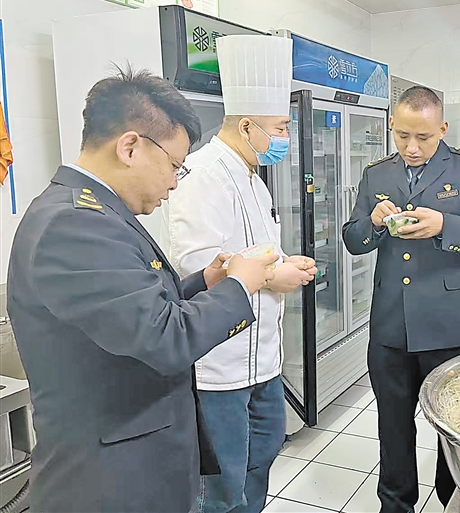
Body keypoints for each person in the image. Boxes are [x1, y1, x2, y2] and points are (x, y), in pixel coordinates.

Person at [7, 68, 279, 513]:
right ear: (130, 147)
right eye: (174, 165)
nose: (174, 182)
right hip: (112, 481)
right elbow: (164, 338)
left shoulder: (100, 213)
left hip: (140, 462)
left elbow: (136, 312)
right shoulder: (74, 224)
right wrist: (240, 284)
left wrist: (204, 282)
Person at [166, 35, 317, 513]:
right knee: (222, 485)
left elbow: (257, 250)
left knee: (261, 462)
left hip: (264, 360)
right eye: (280, 128)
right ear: (247, 126)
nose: (285, 137)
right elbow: (199, 265)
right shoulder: (203, 174)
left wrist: (287, 262)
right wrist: (275, 277)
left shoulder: (254, 177)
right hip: (221, 366)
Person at [343, 86, 460, 512]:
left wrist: (444, 226)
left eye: (424, 137)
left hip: (451, 324)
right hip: (391, 325)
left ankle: (454, 502)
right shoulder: (377, 174)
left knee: (453, 427)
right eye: (402, 136)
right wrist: (373, 223)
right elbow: (353, 240)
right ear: (391, 126)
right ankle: (395, 504)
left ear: (443, 129)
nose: (412, 148)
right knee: (393, 425)